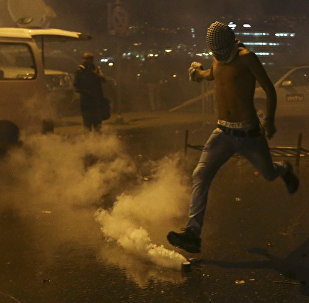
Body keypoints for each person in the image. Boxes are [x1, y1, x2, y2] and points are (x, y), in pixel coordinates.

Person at [167, 21, 299, 254]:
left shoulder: (247, 57)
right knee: (200, 174)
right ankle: (192, 234)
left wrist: (269, 120)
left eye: (221, 51)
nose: (219, 56)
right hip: (222, 133)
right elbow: (214, 74)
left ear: (230, 42)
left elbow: (270, 89)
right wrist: (198, 73)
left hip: (249, 134)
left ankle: (284, 170)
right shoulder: (219, 56)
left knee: (268, 173)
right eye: (215, 53)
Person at [74, 52, 109, 132]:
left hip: (96, 101)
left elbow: (104, 79)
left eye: (88, 59)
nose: (85, 61)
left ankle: (97, 140)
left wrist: (97, 75)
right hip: (86, 101)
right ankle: (89, 141)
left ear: (91, 60)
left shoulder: (96, 69)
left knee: (97, 124)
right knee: (87, 124)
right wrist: (86, 92)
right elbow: (76, 85)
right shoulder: (80, 71)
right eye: (84, 58)